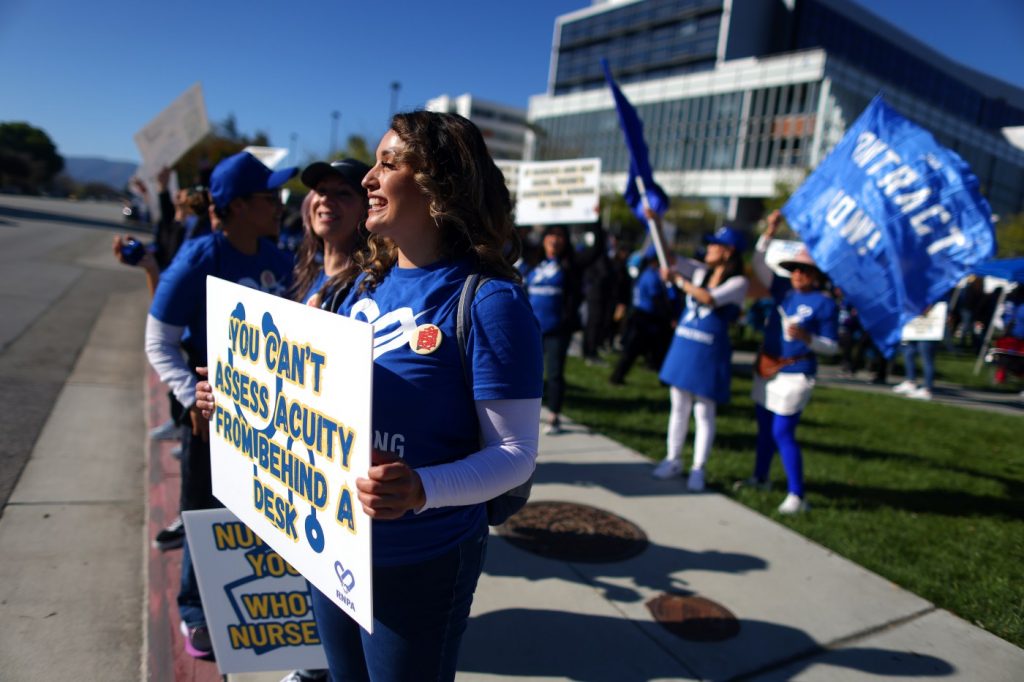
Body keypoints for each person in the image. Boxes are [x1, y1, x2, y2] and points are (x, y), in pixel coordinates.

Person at [313, 111, 542, 681]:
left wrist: (421, 489)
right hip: (331, 546)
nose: (368, 178)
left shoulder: (490, 303)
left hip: (420, 564)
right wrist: (241, 400)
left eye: (388, 164)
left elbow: (515, 456)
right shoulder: (356, 286)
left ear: (440, 185)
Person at [145, 151, 297, 658]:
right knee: (204, 510)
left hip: (268, 421)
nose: (279, 204)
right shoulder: (198, 258)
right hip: (212, 421)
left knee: (256, 512)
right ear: (233, 206)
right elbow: (157, 340)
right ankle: (194, 611)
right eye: (266, 197)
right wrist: (193, 395)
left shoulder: (278, 259)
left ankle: (249, 604)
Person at [742, 210, 838, 514]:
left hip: (796, 371)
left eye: (805, 270)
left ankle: (798, 495)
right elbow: (758, 264)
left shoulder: (824, 303)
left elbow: (832, 347)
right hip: (769, 366)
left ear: (816, 274)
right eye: (795, 269)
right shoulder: (782, 289)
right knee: (765, 427)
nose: (799, 274)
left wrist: (809, 339)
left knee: (783, 431)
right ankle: (760, 477)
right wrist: (769, 231)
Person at [653, 226, 748, 491]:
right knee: (678, 406)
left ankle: (698, 468)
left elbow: (708, 298)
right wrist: (656, 221)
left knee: (704, 411)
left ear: (728, 252)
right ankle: (673, 459)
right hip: (685, 345)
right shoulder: (699, 271)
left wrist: (679, 281)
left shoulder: (739, 282)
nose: (708, 249)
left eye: (714, 245)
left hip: (709, 352)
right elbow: (669, 256)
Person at [524, 222, 604, 434]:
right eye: (551, 235)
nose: (555, 240)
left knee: (555, 374)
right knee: (527, 373)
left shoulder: (571, 264)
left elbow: (597, 250)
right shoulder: (533, 261)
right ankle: (526, 415)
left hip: (558, 329)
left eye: (560, 236)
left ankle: (554, 416)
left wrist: (595, 222)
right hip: (531, 329)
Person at [609, 243, 678, 385]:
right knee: (633, 351)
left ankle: (663, 377)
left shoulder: (646, 273)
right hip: (645, 317)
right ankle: (617, 377)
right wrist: (669, 315)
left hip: (644, 316)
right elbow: (657, 299)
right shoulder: (651, 276)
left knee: (658, 350)